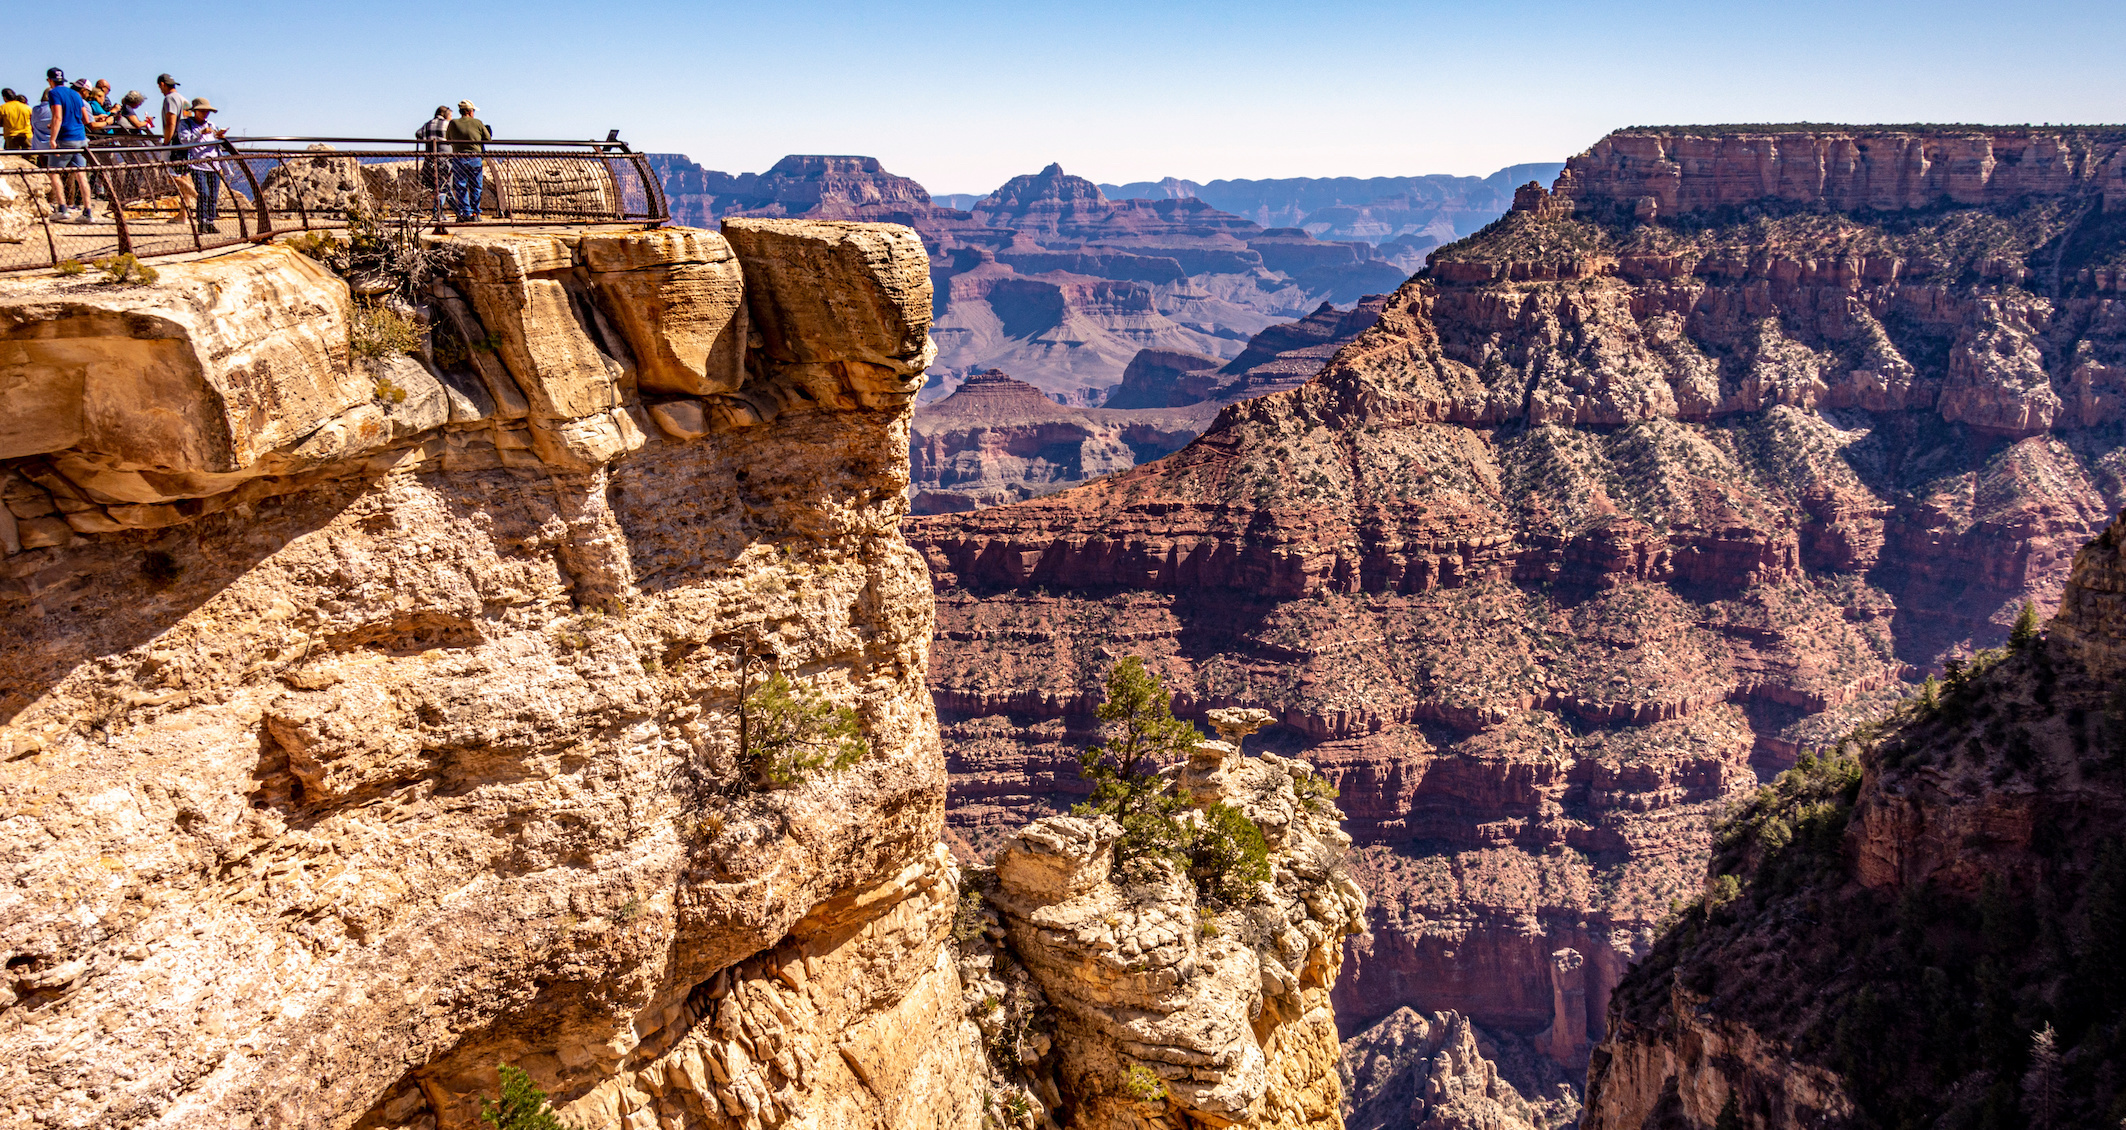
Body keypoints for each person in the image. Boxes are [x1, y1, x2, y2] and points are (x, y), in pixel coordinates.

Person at [43, 68, 94, 224]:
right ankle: (88, 212)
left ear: (49, 80)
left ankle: (62, 209)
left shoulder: (53, 94)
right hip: (81, 138)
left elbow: (58, 116)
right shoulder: (75, 95)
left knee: (54, 172)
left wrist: (53, 138)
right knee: (81, 174)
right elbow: (85, 119)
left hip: (65, 138)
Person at [173, 97, 229, 233]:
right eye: (202, 111)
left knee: (213, 195)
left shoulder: (211, 124)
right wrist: (200, 133)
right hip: (197, 164)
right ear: (195, 111)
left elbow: (215, 141)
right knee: (203, 193)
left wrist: (220, 137)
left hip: (214, 164)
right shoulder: (186, 124)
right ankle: (202, 222)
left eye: (207, 111)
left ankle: (210, 222)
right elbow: (185, 140)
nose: (205, 114)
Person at [156, 75, 196, 220]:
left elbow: (171, 121)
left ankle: (199, 199)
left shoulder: (170, 99)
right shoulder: (184, 100)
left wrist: (166, 142)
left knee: (171, 175)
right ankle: (183, 214)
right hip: (186, 143)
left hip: (174, 142)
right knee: (183, 176)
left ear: (162, 84)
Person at [443, 99, 489, 222]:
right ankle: (476, 212)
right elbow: (487, 138)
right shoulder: (478, 123)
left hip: (459, 157)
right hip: (475, 157)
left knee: (461, 186)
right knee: (476, 186)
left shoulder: (453, 123)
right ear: (469, 111)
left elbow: (448, 138)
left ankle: (465, 212)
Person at [415, 104, 451, 220]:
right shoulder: (447, 124)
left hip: (430, 158)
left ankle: (447, 211)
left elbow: (418, 133)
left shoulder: (427, 124)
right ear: (445, 114)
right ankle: (438, 213)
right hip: (445, 158)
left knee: (437, 185)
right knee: (444, 185)